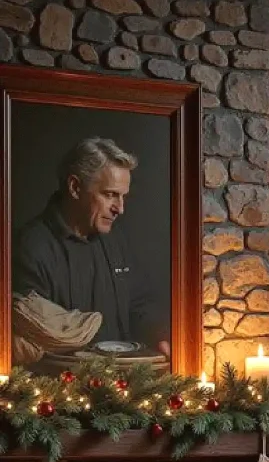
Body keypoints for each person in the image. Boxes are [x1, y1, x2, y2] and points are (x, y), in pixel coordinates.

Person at [12, 136, 168, 361]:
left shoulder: (116, 240)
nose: (120, 209)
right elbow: (33, 336)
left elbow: (139, 303)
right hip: (62, 388)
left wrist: (159, 334)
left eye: (123, 196)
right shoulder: (30, 247)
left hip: (125, 384)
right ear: (75, 187)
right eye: (110, 194)